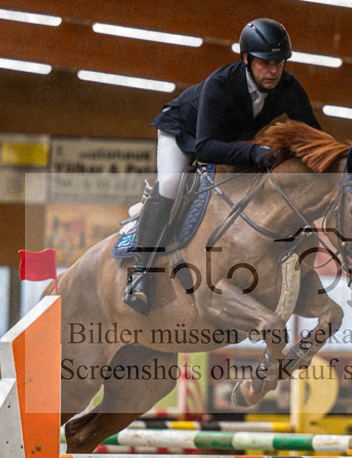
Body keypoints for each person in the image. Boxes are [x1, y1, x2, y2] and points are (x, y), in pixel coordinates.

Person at [123, 17, 322, 315]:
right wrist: (255, 154)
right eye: (265, 63)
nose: (273, 71)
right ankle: (140, 275)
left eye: (279, 63)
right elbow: (204, 148)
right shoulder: (221, 83)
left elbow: (313, 137)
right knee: (172, 184)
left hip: (228, 143)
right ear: (246, 59)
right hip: (182, 134)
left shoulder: (288, 87)